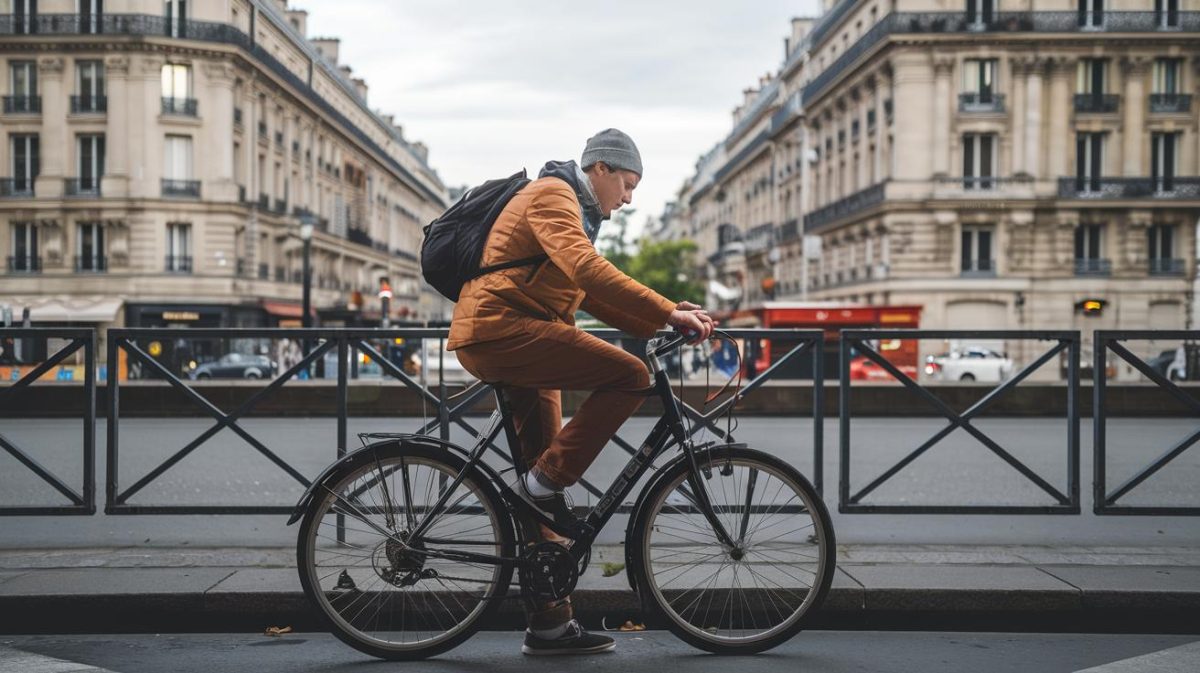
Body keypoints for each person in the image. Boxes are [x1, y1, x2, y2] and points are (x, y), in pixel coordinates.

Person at [447, 129, 715, 655]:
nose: (630, 198)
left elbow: (590, 291)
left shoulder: (576, 210)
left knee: (541, 491)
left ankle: (548, 625)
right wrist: (665, 310)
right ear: (602, 169)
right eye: (629, 184)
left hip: (522, 335)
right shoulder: (553, 194)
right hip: (502, 332)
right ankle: (541, 482)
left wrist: (662, 322)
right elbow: (585, 268)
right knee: (630, 377)